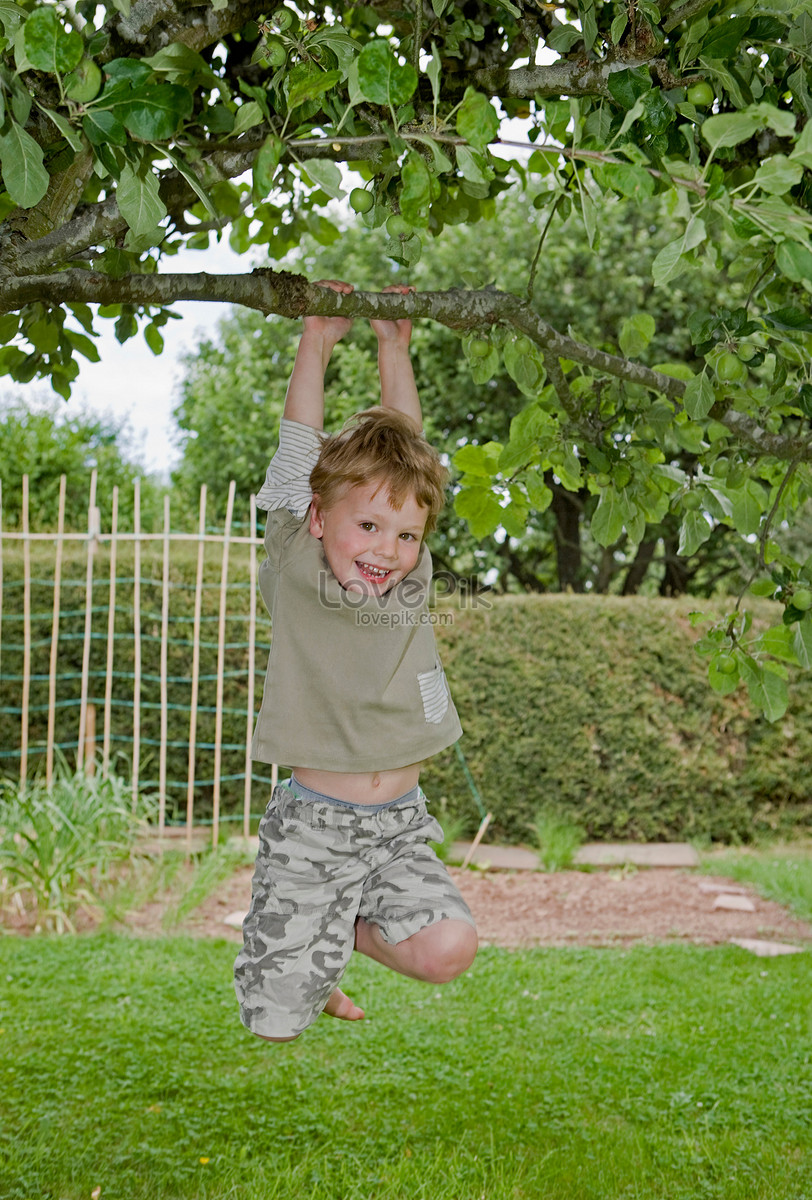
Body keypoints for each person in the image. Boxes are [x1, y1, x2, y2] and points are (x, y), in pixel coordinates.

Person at [234, 280, 478, 1041]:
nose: (387, 549)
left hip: (399, 825)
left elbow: (411, 459)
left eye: (405, 536)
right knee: (275, 1021)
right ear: (316, 518)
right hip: (315, 829)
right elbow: (297, 450)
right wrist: (317, 340)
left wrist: (393, 346)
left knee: (450, 948)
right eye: (367, 525)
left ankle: (335, 933)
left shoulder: (409, 579)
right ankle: (304, 940)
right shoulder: (295, 566)